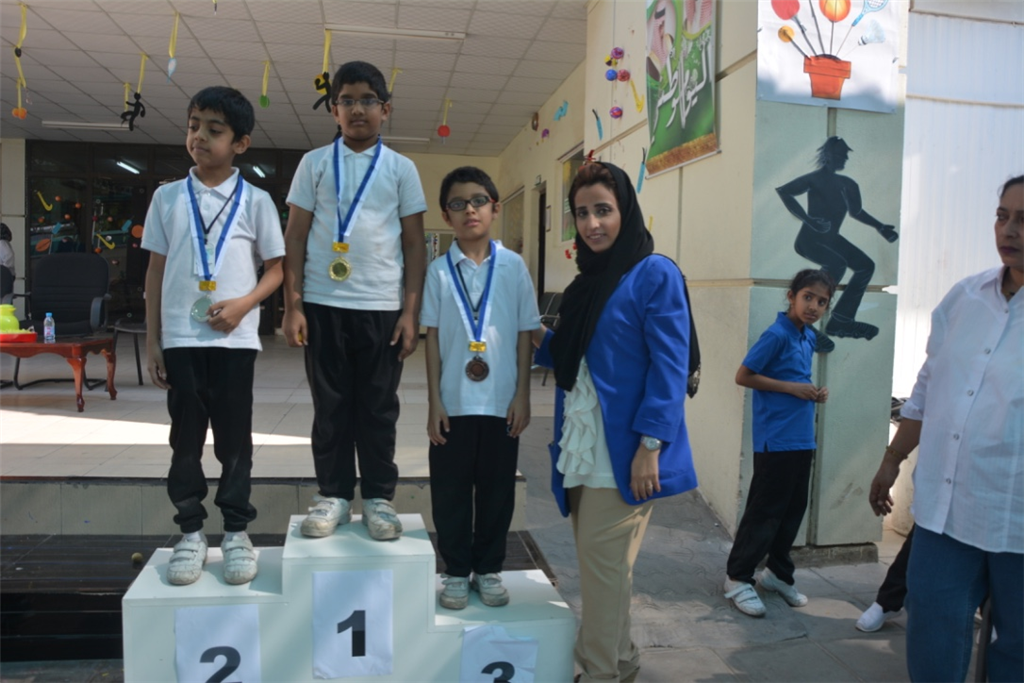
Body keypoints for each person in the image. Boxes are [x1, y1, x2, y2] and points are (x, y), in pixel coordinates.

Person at [533, 161, 696, 683]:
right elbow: (572, 356)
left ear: (625, 210)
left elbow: (670, 367)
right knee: (605, 571)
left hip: (623, 450)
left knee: (603, 571)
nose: (592, 224)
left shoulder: (654, 273)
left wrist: (651, 445)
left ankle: (599, 671)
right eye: (581, 214)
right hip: (582, 445)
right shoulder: (587, 282)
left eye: (602, 210)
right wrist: (526, 326)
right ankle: (622, 661)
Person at [868, 175, 1023, 683]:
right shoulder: (965, 298)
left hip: (1017, 519)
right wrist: (892, 458)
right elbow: (928, 386)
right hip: (947, 511)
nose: (1009, 230)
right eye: (1002, 216)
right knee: (933, 632)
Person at [142, 86, 285, 586]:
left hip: (234, 342)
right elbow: (155, 271)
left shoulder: (256, 200)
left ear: (240, 143)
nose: (199, 136)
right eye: (193, 125)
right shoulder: (166, 197)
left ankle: (237, 531)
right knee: (184, 439)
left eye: (214, 129)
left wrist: (245, 304)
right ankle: (190, 531)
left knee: (234, 440)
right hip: (182, 339)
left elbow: (276, 269)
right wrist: (154, 339)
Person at [283, 61, 427, 542]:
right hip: (323, 303)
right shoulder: (314, 164)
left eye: (368, 100)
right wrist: (293, 304)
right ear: (334, 110)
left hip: (382, 307)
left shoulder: (401, 169)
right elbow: (295, 236)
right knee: (331, 407)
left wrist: (410, 312)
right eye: (347, 100)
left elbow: (414, 245)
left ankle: (380, 498)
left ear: (386, 109)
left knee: (378, 408)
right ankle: (335, 495)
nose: (357, 109)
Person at [423, 167, 540, 610]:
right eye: (458, 204)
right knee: (449, 491)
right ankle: (456, 571)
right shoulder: (438, 271)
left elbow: (525, 333)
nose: (469, 210)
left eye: (478, 201)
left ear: (494, 208)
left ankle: (489, 568)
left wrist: (523, 394)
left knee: (496, 491)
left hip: (500, 402)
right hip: (453, 402)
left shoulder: (513, 267)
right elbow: (432, 338)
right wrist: (434, 400)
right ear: (446, 215)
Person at [723, 269, 835, 617]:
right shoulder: (776, 334)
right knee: (765, 512)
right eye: (807, 297)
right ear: (791, 296)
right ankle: (737, 577)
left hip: (802, 438)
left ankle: (777, 574)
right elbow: (743, 375)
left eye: (822, 302)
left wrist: (813, 393)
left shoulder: (808, 336)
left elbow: (797, 378)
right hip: (776, 440)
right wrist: (790, 388)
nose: (813, 306)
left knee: (792, 511)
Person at [776, 137, 898, 344]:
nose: (844, 159)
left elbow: (856, 212)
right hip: (809, 239)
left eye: (845, 156)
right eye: (841, 155)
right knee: (837, 264)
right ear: (828, 156)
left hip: (832, 239)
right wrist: (808, 220)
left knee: (866, 266)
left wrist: (880, 226)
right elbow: (784, 191)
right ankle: (799, 323)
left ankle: (841, 320)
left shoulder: (848, 184)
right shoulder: (814, 179)